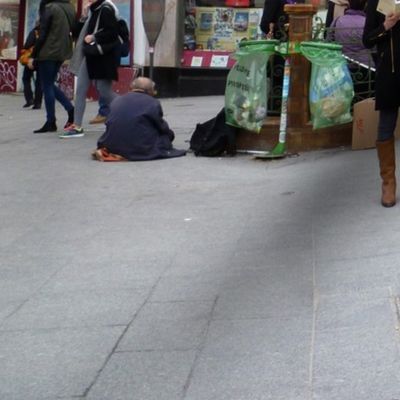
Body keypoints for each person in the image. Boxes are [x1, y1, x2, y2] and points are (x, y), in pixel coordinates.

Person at [60, 0, 119, 138]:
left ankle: (131, 110)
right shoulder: (93, 11)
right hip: (90, 55)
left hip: (102, 57)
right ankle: (77, 126)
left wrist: (94, 36)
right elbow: (76, 33)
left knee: (105, 92)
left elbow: (112, 32)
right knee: (80, 89)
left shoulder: (105, 9)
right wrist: (83, 17)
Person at [92, 77, 186, 161]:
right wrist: (170, 134)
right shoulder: (152, 102)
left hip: (112, 145)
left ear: (130, 88)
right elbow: (161, 126)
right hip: (139, 147)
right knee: (165, 138)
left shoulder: (116, 100)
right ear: (150, 91)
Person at [362, 7, 400, 207]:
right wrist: (386, 25)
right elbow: (366, 39)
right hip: (389, 75)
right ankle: (388, 182)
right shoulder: (376, 3)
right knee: (386, 127)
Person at [28, 0, 75, 133]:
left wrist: (33, 55)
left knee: (46, 85)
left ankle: (51, 121)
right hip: (62, 51)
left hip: (48, 52)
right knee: (49, 83)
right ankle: (69, 109)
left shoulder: (49, 7)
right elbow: (74, 29)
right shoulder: (70, 8)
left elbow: (42, 35)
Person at [21, 23, 42, 109]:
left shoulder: (34, 32)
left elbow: (27, 45)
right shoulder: (48, 33)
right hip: (42, 59)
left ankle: (29, 99)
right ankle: (38, 103)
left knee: (26, 78)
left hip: (31, 59)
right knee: (39, 81)